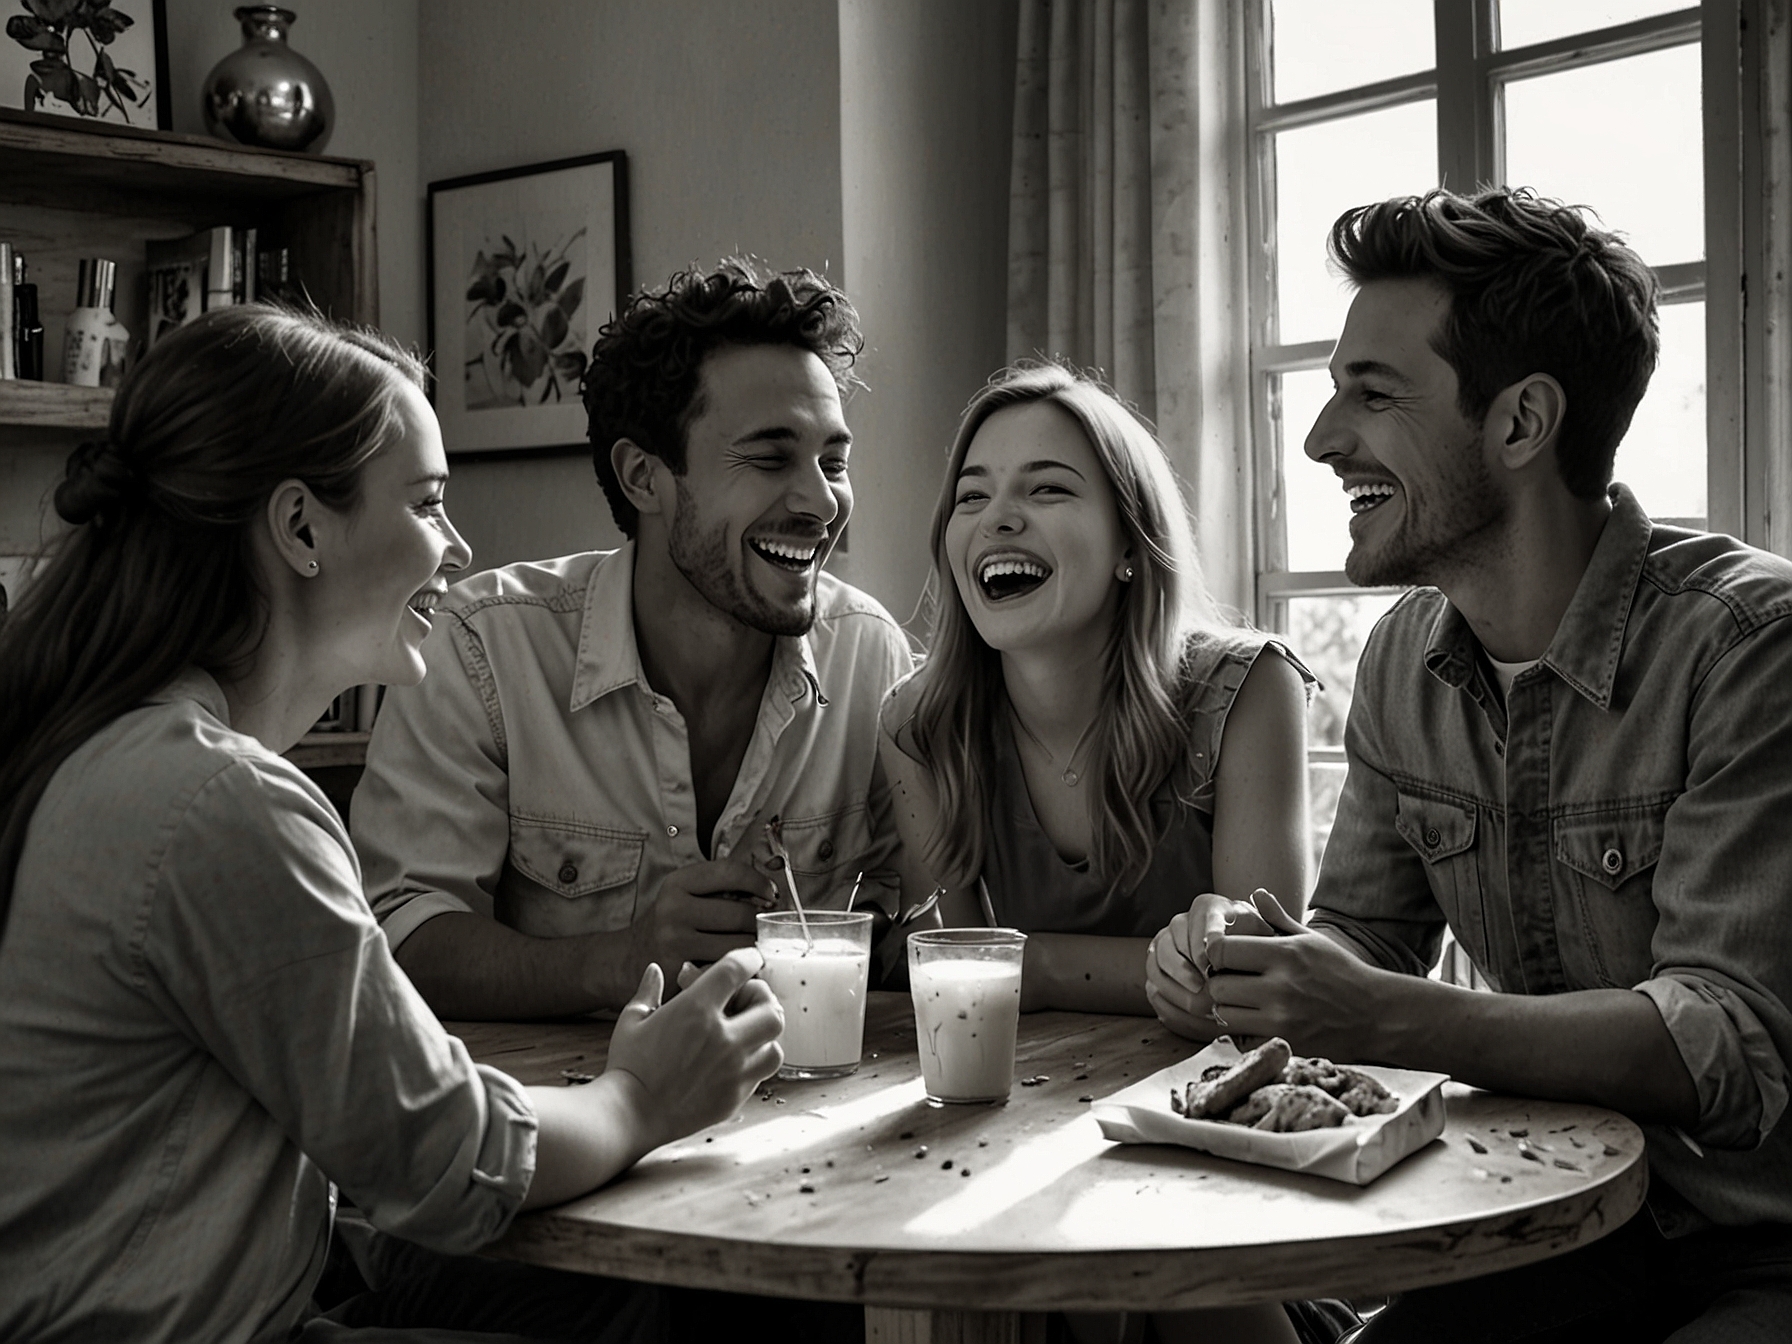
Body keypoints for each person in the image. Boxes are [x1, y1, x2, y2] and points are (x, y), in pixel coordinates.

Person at [0, 306, 784, 1343]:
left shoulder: (101, 747)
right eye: (425, 506)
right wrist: (643, 1094)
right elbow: (446, 1162)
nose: (457, 548)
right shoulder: (215, 803)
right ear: (299, 528)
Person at [1149, 188, 1792, 1342]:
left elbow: (1719, 1043)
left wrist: (1388, 1015)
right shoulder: (1406, 653)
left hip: (1760, 1243)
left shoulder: (1748, 647)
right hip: (1554, 1221)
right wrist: (1254, 961)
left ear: (1519, 422)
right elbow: (1367, 936)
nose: (1320, 436)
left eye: (1372, 393)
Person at [881, 363, 1343, 1344]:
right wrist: (1122, 971)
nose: (997, 518)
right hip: (1003, 1151)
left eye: (1045, 488)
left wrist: (1037, 963)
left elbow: (1250, 987)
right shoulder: (918, 726)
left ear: (1133, 546)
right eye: (973, 497)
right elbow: (957, 982)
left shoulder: (1248, 689)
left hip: (1218, 1159)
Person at [352, 261, 914, 1021]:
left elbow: (914, 924)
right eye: (771, 456)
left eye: (834, 461)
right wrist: (622, 959)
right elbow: (403, 941)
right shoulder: (484, 646)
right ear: (644, 477)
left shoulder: (871, 657)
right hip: (553, 1119)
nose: (821, 500)